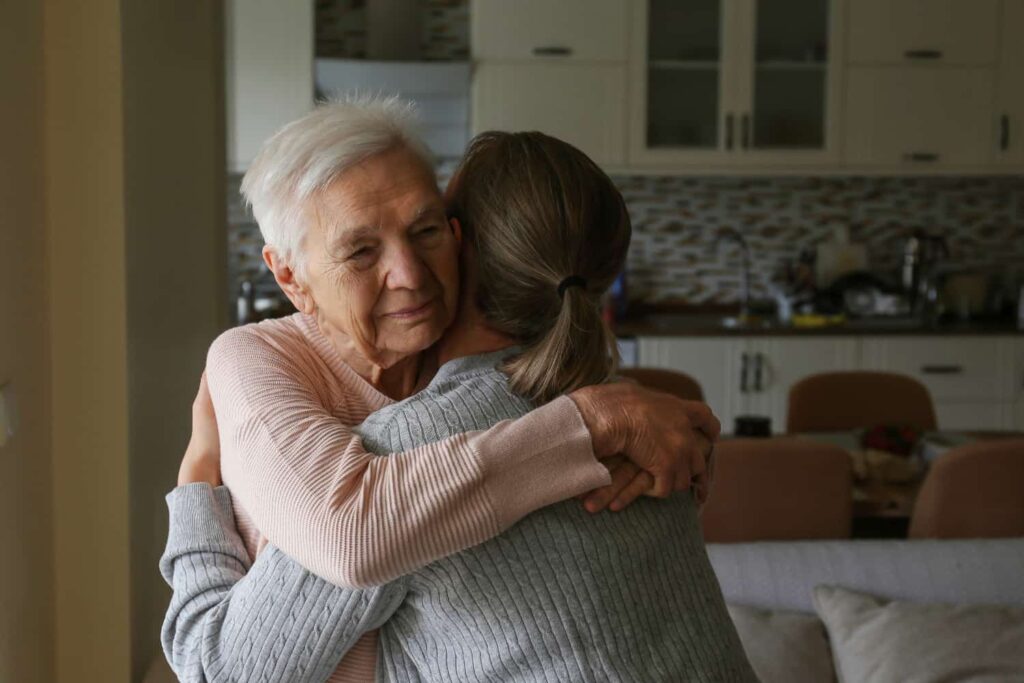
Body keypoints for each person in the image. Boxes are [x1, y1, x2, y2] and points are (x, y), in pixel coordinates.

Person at [161, 130, 756, 682]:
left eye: (427, 230)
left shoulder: (403, 464)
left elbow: (222, 672)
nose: (408, 273)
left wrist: (196, 481)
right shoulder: (650, 425)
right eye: (363, 250)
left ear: (463, 246)